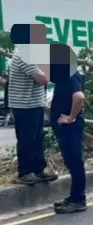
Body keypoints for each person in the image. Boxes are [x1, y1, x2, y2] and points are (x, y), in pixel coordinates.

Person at [6, 44, 55, 186]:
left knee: (38, 138)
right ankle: (25, 173)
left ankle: (39, 170)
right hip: (23, 106)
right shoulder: (24, 55)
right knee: (27, 139)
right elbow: (42, 79)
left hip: (34, 104)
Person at [48, 63, 87, 214]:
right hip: (65, 128)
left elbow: (79, 97)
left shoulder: (71, 75)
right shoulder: (64, 76)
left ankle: (78, 200)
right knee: (71, 161)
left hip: (70, 127)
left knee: (75, 161)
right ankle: (74, 197)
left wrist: (70, 118)